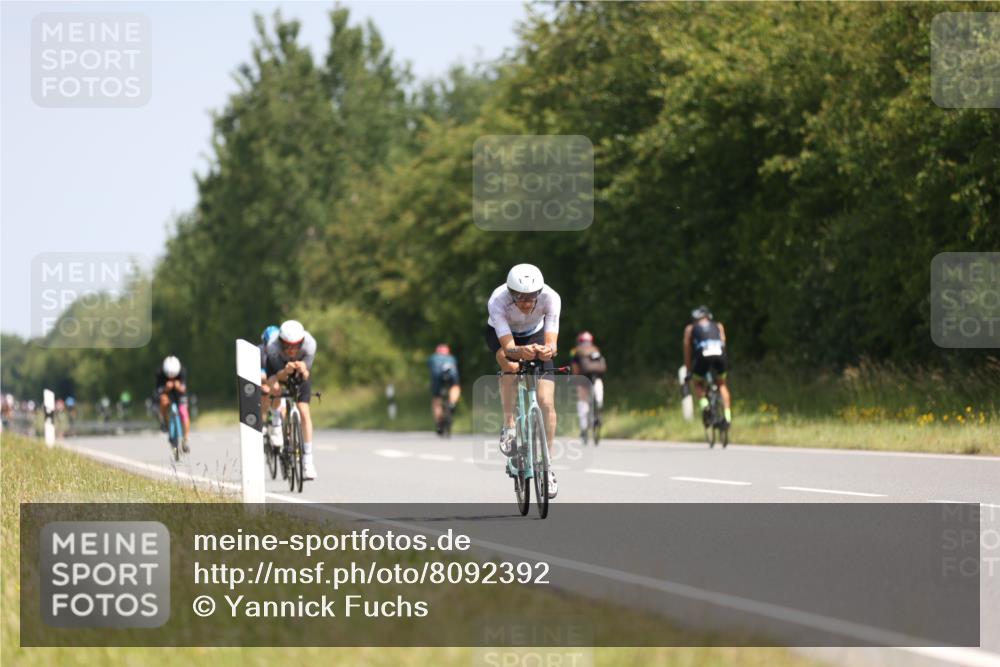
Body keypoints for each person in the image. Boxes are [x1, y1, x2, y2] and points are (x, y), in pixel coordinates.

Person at [485, 263, 561, 498]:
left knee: (546, 403)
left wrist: (547, 351)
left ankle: (547, 467)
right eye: (521, 298)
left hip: (535, 333)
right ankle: (509, 425)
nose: (527, 304)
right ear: (510, 293)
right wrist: (519, 352)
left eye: (532, 298)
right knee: (509, 366)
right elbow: (508, 347)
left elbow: (552, 344)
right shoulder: (497, 300)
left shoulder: (551, 298)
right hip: (504, 335)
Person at [262, 320, 318, 480]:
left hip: (300, 371)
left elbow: (306, 374)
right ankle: (276, 425)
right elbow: (277, 376)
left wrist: (302, 369)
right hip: (278, 370)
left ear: (302, 342)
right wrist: (285, 371)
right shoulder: (272, 347)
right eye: (286, 346)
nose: (291, 350)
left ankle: (308, 461)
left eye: (295, 346)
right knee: (276, 389)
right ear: (280, 342)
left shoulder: (310, 344)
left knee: (304, 411)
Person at [683, 306, 731, 426]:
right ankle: (727, 417)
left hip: (702, 356)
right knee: (722, 384)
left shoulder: (690, 328)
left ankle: (705, 406)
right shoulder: (718, 325)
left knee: (698, 382)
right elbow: (723, 344)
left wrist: (688, 371)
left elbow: (687, 350)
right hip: (720, 355)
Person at [570, 331, 607, 442]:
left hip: (583, 379)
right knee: (598, 398)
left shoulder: (575, 351)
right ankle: (598, 409)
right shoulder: (596, 349)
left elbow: (575, 368)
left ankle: (583, 426)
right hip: (597, 379)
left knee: (582, 401)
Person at [156, 355, 191, 451]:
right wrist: (165, 388)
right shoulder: (160, 372)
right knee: (163, 401)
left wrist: (178, 386)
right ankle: (164, 420)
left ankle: (186, 439)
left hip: (179, 393)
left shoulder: (182, 371)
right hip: (167, 393)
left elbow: (184, 388)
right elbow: (158, 390)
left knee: (184, 412)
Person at [428, 344, 461, 435]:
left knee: (436, 399)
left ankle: (439, 422)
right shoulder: (451, 358)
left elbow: (430, 370)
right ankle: (452, 403)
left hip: (437, 376)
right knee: (455, 386)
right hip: (451, 374)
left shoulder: (432, 358)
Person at [257, 324, 280, 440]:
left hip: (277, 380)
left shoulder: (282, 350)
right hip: (264, 380)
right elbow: (257, 374)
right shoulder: (259, 352)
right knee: (265, 391)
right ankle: (263, 423)